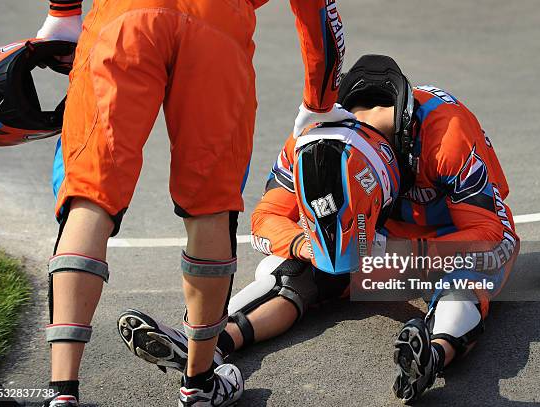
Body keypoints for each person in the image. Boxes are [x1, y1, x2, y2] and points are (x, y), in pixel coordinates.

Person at [117, 54, 519, 404]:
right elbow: (265, 218)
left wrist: (403, 253)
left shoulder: (447, 134)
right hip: (366, 243)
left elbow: (488, 232)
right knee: (286, 269)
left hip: (449, 240)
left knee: (469, 271)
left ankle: (432, 354)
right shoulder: (311, 141)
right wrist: (309, 247)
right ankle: (208, 346)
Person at [35, 0, 352, 406]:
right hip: (218, 25)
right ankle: (199, 384)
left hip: (125, 15)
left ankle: (62, 394)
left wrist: (63, 14)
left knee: (90, 198)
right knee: (211, 209)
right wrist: (319, 100)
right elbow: (318, 11)